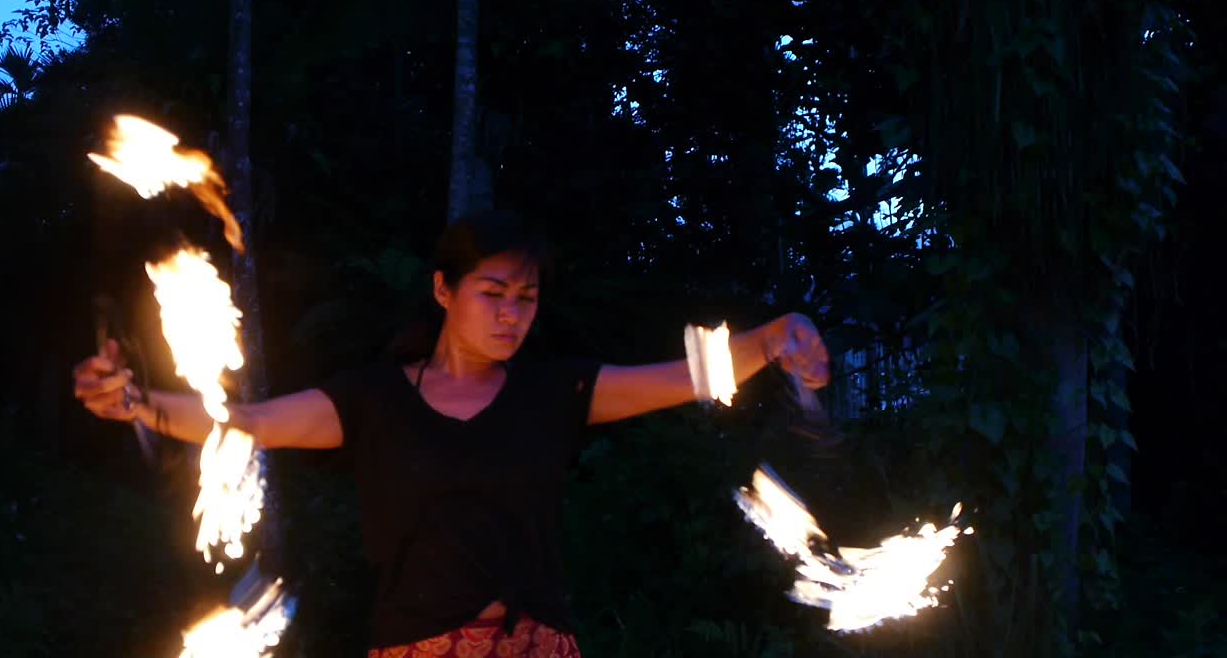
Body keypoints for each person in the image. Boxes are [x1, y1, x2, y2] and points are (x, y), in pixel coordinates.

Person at [72, 209, 830, 658]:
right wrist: (137, 402)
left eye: (526, 297)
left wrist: (773, 338)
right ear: (443, 290)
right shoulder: (371, 399)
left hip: (540, 648)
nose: (511, 313)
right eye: (492, 292)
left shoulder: (553, 392)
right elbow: (247, 424)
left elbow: (691, 374)